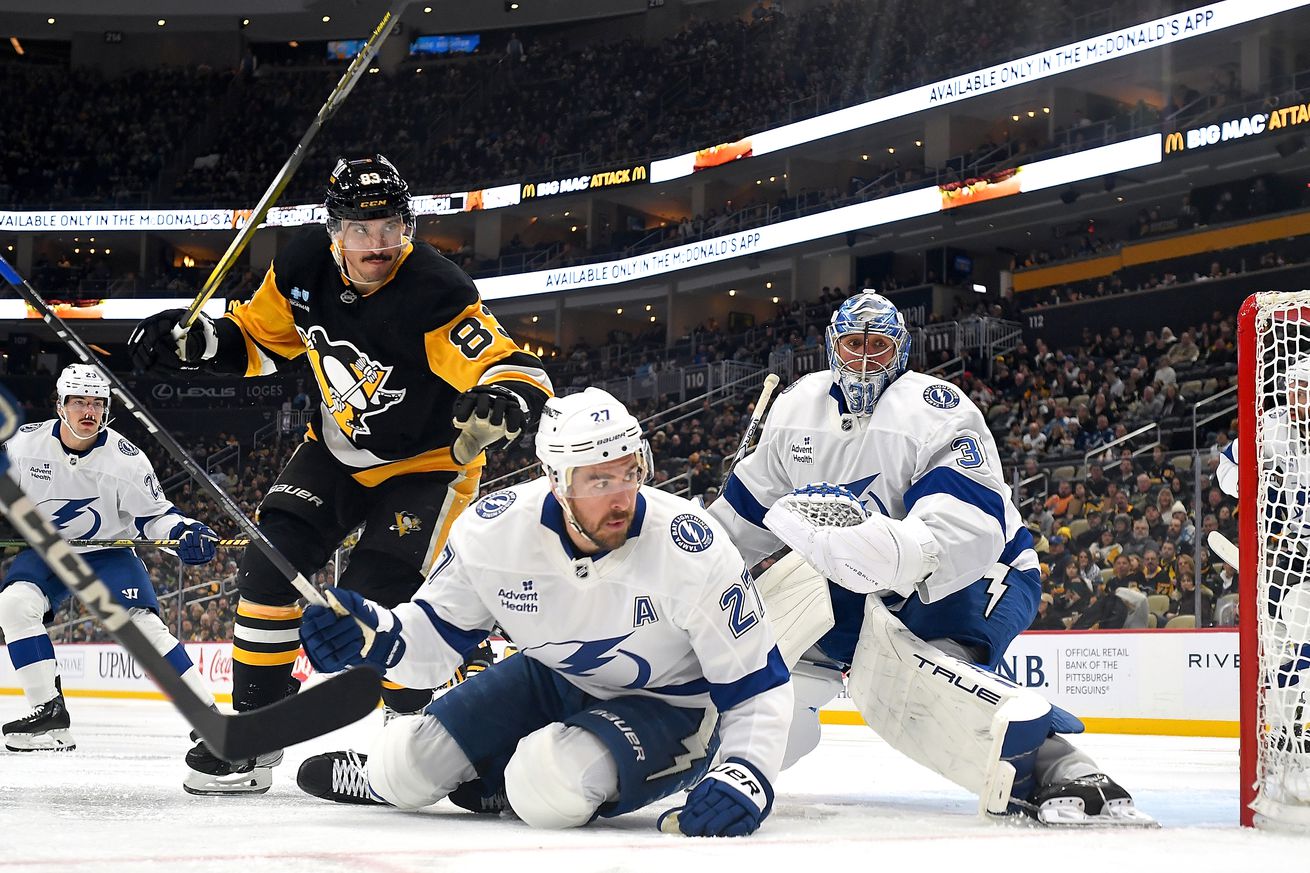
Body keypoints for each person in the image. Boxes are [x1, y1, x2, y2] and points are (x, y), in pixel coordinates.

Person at [127, 154, 552, 793]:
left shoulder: (436, 290)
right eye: (361, 227)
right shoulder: (301, 265)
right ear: (334, 231)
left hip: (426, 468)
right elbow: (260, 341)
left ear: (408, 226)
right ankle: (255, 731)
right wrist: (200, 344)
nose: (378, 243)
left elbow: (509, 365)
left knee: (376, 606)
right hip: (334, 450)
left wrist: (507, 397)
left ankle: (455, 738)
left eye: (391, 226)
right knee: (268, 568)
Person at [707, 290, 1152, 825]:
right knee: (765, 669)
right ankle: (723, 762)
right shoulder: (796, 409)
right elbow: (738, 524)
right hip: (854, 582)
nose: (865, 358)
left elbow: (964, 523)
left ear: (900, 351)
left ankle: (1060, 766)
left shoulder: (934, 406)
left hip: (978, 572)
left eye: (878, 345)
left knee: (929, 673)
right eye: (853, 344)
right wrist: (691, 561)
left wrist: (889, 551)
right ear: (831, 347)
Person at [292, 388, 791, 837]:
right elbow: (432, 644)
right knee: (404, 766)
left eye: (629, 472)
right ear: (554, 480)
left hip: (672, 703)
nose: (620, 498)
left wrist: (747, 772)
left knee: (547, 787)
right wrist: (375, 635)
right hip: (552, 676)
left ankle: (503, 778)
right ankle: (438, 777)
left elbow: (756, 676)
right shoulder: (492, 533)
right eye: (597, 480)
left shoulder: (693, 545)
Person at [0, 365, 218, 773]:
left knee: (145, 630)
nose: (89, 410)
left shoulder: (126, 461)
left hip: (107, 552)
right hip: (48, 550)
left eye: (98, 402)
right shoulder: (24, 443)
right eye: (80, 401)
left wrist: (185, 532)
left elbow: (154, 518)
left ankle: (210, 722)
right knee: (13, 605)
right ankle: (48, 716)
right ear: (60, 405)